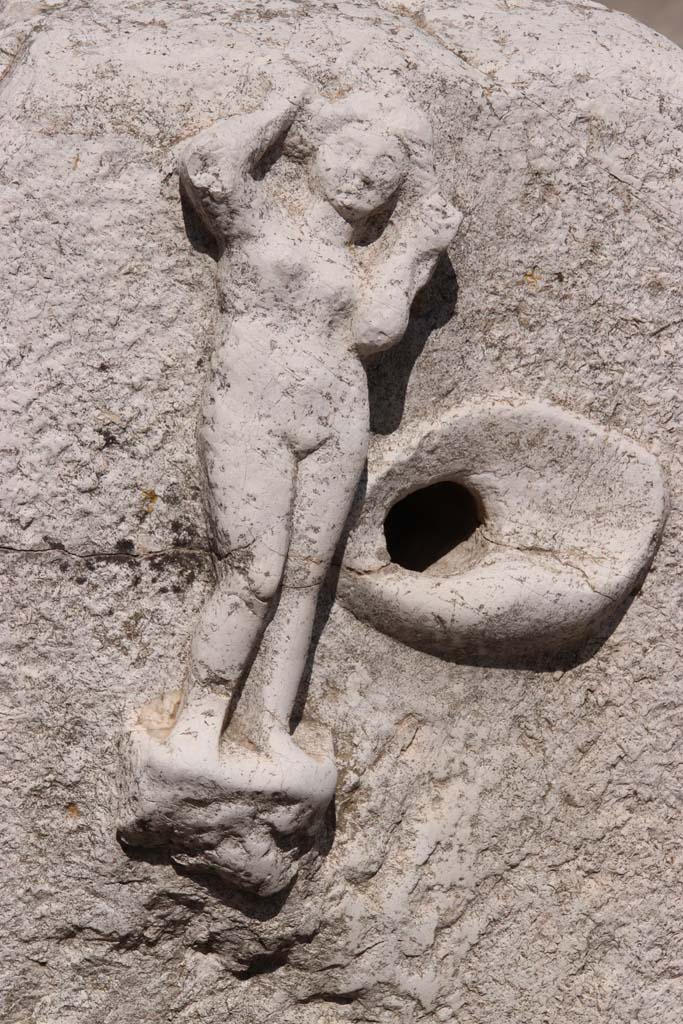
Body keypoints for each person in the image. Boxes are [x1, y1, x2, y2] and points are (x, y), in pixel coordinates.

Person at [174, 87, 462, 759]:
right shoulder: (260, 219)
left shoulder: (368, 257)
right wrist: (282, 104)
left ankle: (271, 727)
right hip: (252, 402)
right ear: (313, 151)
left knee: (306, 580)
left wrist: (413, 252)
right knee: (253, 573)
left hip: (336, 413)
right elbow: (208, 163)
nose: (363, 173)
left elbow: (375, 328)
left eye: (384, 167)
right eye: (349, 151)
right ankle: (198, 719)